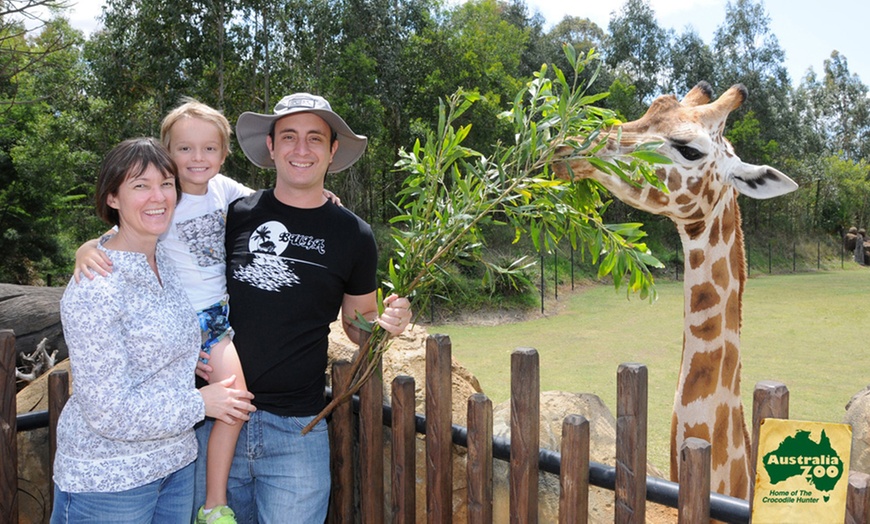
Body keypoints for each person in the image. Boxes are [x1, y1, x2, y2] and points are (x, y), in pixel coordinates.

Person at [74, 100, 346, 524]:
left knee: (231, 398)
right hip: (192, 318)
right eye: (184, 150)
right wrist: (87, 247)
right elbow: (120, 226)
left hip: (219, 315)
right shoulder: (166, 197)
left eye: (208, 149)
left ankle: (211, 499)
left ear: (222, 154)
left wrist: (321, 195)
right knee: (234, 397)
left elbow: (275, 201)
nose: (197, 159)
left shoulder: (225, 192)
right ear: (168, 153)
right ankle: (214, 504)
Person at [197, 92, 411, 522]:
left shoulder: (354, 234)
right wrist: (96, 243)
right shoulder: (233, 213)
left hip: (297, 430)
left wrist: (387, 321)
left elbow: (357, 323)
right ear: (271, 147)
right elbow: (163, 237)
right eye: (289, 136)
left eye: (315, 138)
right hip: (213, 419)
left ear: (332, 151)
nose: (301, 149)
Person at [52, 137, 255, 524]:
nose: (158, 196)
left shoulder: (161, 256)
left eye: (165, 183)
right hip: (111, 484)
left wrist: (180, 356)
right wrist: (202, 403)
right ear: (113, 198)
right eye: (140, 186)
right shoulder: (97, 284)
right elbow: (108, 413)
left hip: (175, 471)